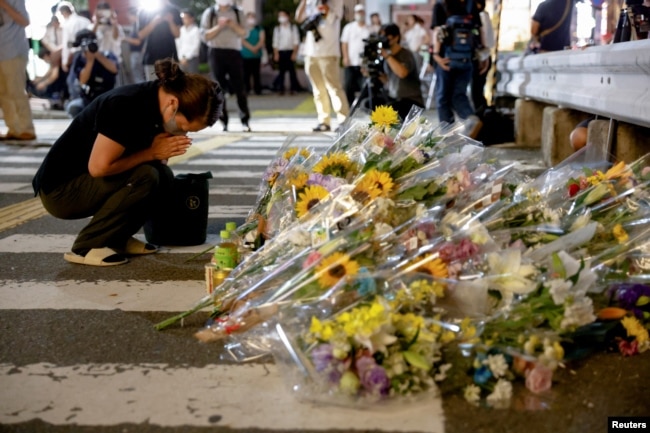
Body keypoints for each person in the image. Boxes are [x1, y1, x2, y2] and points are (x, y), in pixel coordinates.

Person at [32, 58, 224, 267]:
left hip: (89, 181)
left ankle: (117, 238)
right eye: (184, 126)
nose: (183, 132)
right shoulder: (125, 105)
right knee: (146, 177)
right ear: (173, 104)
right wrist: (151, 152)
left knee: (162, 175)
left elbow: (156, 162)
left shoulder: (161, 108)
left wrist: (160, 152)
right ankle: (85, 247)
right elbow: (99, 167)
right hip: (61, 191)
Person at [431, 0, 483, 138]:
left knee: (443, 97)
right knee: (458, 94)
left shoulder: (441, 4)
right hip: (467, 58)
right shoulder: (471, 3)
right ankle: (470, 118)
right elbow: (478, 30)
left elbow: (438, 30)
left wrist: (436, 55)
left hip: (446, 59)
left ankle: (447, 134)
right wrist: (482, 56)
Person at [296, 0, 349, 132]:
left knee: (334, 88)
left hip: (328, 51)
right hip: (311, 52)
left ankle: (343, 120)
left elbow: (329, 16)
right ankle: (324, 121)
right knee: (318, 90)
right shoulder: (310, 2)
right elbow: (299, 18)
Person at [200, 0, 252, 132]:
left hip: (234, 51)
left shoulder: (238, 12)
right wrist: (219, 26)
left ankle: (245, 121)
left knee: (240, 88)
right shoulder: (210, 12)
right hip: (216, 52)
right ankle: (223, 121)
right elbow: (204, 36)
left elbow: (245, 33)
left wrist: (232, 24)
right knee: (218, 89)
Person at [0, 0, 36, 141]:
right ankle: (13, 128)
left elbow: (25, 21)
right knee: (3, 93)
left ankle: (26, 129)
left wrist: (4, 4)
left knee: (16, 91)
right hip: (2, 51)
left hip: (13, 50)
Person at [65, 29, 119, 117]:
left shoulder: (107, 54)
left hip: (108, 98)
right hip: (88, 100)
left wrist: (97, 55)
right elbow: (82, 81)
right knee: (74, 107)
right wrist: (90, 61)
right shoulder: (79, 59)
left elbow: (114, 69)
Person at [377, 23, 424, 120]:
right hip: (395, 98)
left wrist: (387, 56)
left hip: (411, 101)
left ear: (395, 38)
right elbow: (389, 80)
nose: (384, 40)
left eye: (387, 37)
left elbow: (402, 73)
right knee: (371, 104)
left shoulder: (405, 54)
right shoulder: (388, 57)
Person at [138, 0, 181, 81]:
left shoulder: (174, 10)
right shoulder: (144, 11)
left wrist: (170, 21)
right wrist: (155, 22)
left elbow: (177, 34)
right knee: (153, 88)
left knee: (173, 87)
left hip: (170, 57)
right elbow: (141, 35)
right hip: (151, 58)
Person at [340, 4, 369, 106]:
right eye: (358, 12)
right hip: (351, 62)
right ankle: (350, 105)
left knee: (365, 86)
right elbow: (344, 43)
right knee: (348, 85)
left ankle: (362, 106)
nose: (360, 14)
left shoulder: (369, 29)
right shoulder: (349, 27)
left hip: (364, 64)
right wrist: (345, 57)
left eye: (361, 12)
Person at [91, 2, 125, 85]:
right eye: (100, 11)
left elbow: (116, 37)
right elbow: (91, 36)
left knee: (117, 86)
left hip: (114, 60)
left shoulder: (116, 26)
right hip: (100, 60)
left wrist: (114, 22)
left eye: (105, 11)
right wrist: (97, 21)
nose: (103, 14)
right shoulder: (93, 26)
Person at [471, 0, 494, 117]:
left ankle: (481, 120)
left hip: (481, 58)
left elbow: (485, 40)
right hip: (484, 56)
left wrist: (483, 58)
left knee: (476, 91)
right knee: (477, 91)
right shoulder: (484, 15)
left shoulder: (480, 16)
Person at [271, 9, 302, 95]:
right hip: (281, 52)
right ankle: (281, 89)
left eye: (283, 15)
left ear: (287, 17)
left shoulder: (292, 28)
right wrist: (276, 54)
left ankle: (294, 89)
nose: (281, 18)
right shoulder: (277, 29)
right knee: (281, 72)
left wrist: (294, 53)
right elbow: (275, 42)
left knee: (292, 72)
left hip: (290, 51)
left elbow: (296, 41)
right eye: (280, 16)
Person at [57, 1, 91, 76]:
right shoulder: (86, 21)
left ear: (64, 12)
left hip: (77, 55)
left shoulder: (67, 25)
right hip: (90, 53)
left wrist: (64, 61)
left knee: (74, 81)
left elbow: (67, 44)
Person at [241, 11, 265, 95]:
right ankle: (246, 89)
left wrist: (256, 48)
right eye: (249, 17)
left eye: (253, 17)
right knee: (246, 74)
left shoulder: (259, 29)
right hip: (245, 55)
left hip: (256, 55)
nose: (251, 19)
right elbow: (242, 40)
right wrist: (251, 48)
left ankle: (257, 90)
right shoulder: (244, 29)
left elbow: (262, 40)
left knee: (256, 73)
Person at [176, 9, 201, 74]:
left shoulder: (196, 30)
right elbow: (178, 45)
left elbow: (196, 46)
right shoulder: (180, 30)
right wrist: (181, 58)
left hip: (192, 59)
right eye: (183, 18)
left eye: (185, 18)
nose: (183, 20)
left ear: (191, 19)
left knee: (192, 80)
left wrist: (186, 58)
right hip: (181, 59)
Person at [124, 7, 144, 84]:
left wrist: (125, 39)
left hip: (138, 54)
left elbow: (138, 42)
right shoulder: (135, 25)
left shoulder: (138, 26)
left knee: (138, 77)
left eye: (129, 16)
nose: (128, 18)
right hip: (136, 54)